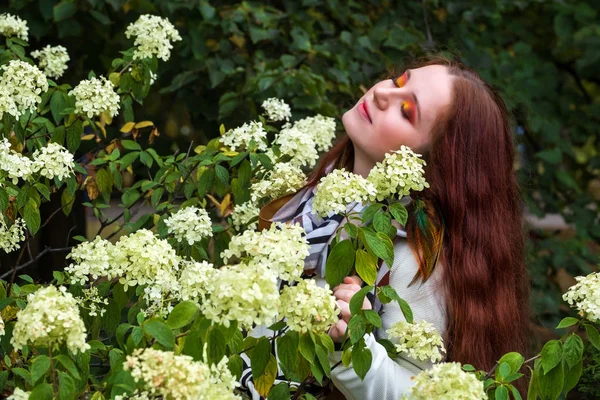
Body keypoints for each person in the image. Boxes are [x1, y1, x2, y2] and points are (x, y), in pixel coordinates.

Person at [243, 55, 530, 399]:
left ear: (434, 164)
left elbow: (417, 393)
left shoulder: (415, 259)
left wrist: (352, 342)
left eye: (406, 111)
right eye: (398, 82)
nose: (382, 94)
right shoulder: (313, 196)